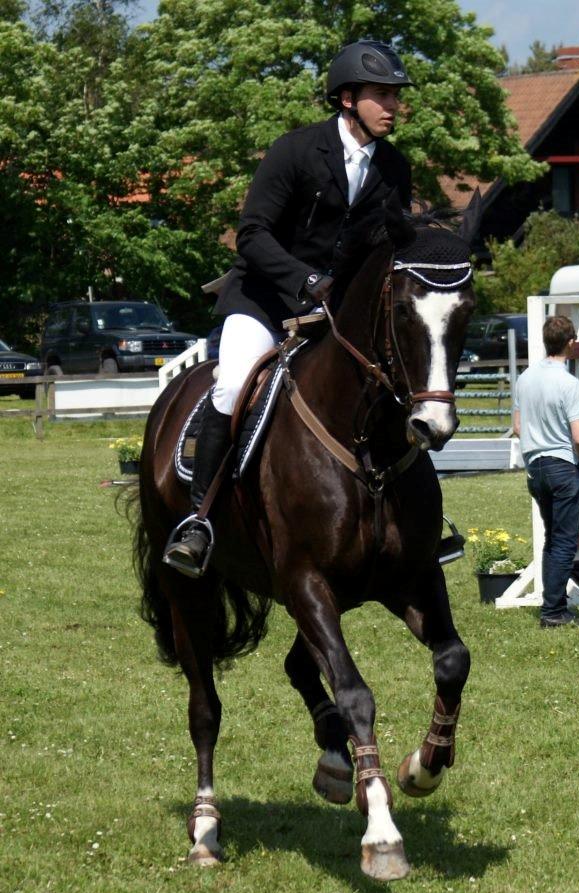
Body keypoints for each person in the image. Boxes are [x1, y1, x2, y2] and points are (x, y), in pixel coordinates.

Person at [164, 40, 414, 576]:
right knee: (233, 385)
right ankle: (199, 520)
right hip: (263, 300)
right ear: (347, 98)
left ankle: (415, 522)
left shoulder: (395, 168)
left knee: (393, 386)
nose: (394, 106)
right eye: (383, 95)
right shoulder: (296, 151)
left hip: (334, 314)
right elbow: (252, 234)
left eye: (396, 96)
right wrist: (306, 279)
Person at [513, 315, 579, 627]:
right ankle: (554, 612)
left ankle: (552, 604)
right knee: (564, 542)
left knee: (551, 538)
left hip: (535, 466)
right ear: (571, 343)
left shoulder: (525, 378)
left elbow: (518, 427)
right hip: (562, 466)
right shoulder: (569, 383)